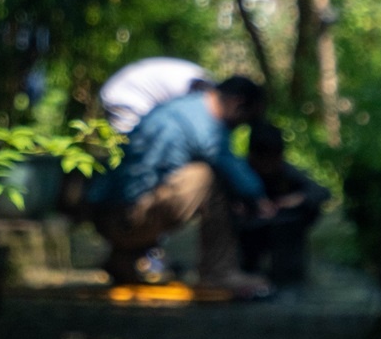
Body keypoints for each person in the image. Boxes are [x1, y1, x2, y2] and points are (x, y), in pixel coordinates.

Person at [88, 75, 276, 297]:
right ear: (236, 103)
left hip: (108, 214)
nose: (236, 128)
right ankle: (219, 272)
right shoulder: (206, 122)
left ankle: (122, 259)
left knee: (169, 184)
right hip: (129, 218)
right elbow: (228, 165)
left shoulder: (181, 107)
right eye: (244, 121)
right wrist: (259, 198)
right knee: (206, 177)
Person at [234, 121, 331, 285]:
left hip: (282, 227)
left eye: (272, 159)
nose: (268, 167)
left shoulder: (285, 171)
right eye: (263, 160)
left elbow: (321, 192)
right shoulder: (239, 171)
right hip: (247, 229)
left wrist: (295, 200)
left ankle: (287, 268)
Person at [99, 56, 215, 134]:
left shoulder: (199, 78)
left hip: (129, 90)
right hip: (127, 95)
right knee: (132, 147)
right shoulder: (196, 87)